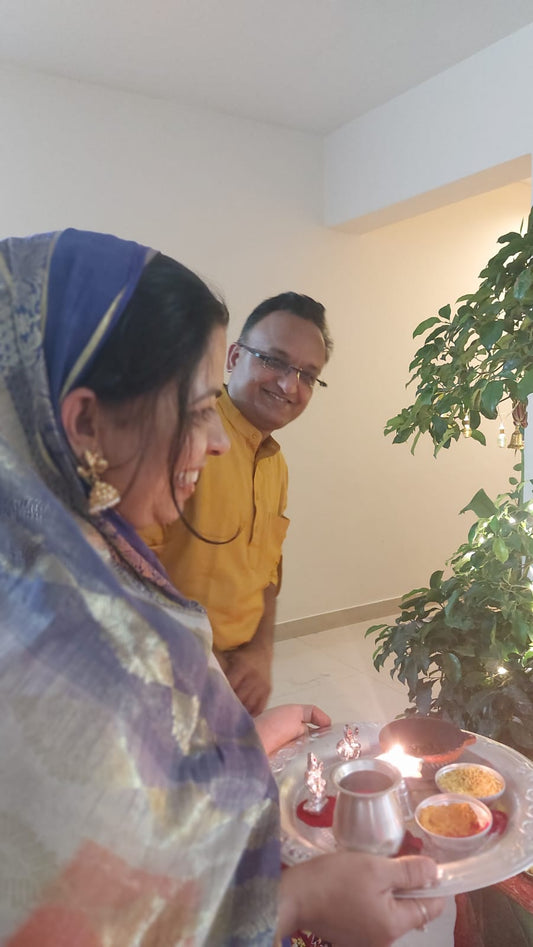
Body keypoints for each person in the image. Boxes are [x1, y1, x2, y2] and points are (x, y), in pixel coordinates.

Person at [0, 228, 445, 946]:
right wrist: (294, 903)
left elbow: (264, 575)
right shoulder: (53, 658)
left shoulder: (80, 547)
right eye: (200, 403)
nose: (211, 442)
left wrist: (238, 735)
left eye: (308, 374)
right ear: (82, 421)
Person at [138, 292, 332, 716]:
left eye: (307, 374)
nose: (289, 384)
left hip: (237, 682)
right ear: (233, 356)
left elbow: (267, 574)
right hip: (159, 680)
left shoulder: (274, 463)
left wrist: (261, 652)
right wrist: (208, 665)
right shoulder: (184, 435)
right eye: (273, 360)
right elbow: (129, 572)